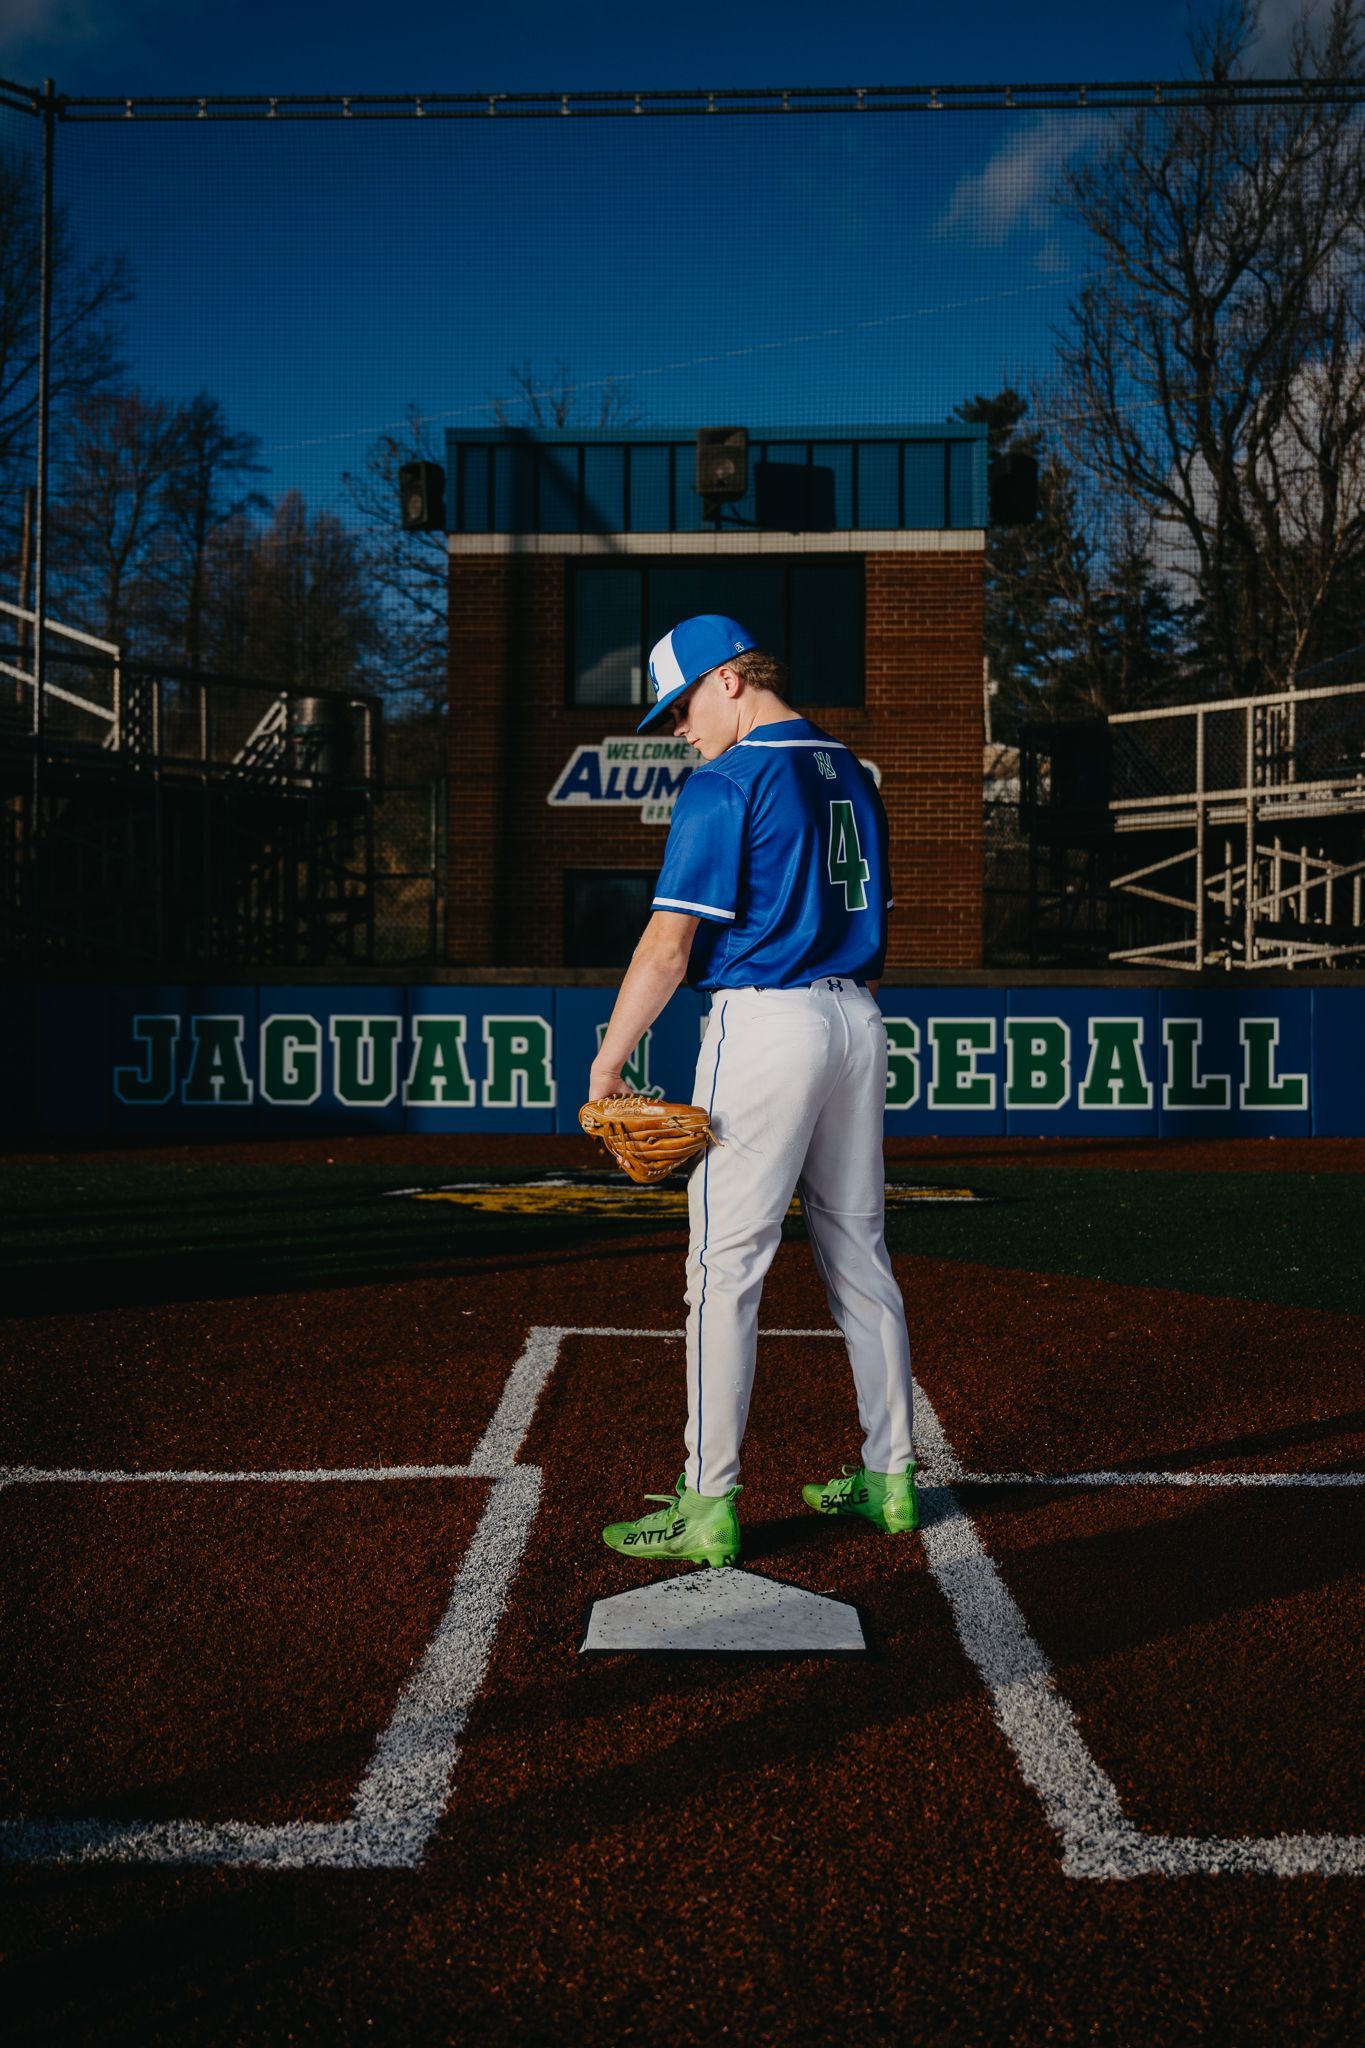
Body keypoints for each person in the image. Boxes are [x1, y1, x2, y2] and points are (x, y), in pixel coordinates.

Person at [587, 613, 918, 1569]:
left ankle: (707, 1503)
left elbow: (666, 944)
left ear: (730, 679)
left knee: (722, 1268)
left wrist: (611, 1060)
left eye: (683, 704)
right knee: (859, 1249)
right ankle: (891, 1479)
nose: (678, 728)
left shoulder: (726, 782)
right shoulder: (855, 774)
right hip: (856, 1020)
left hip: (765, 1024)